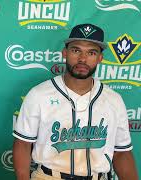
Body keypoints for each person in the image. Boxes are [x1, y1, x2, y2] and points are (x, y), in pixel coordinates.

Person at [12, 23, 138, 180]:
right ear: (65, 53)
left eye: (91, 52)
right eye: (76, 50)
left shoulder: (114, 100)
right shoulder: (39, 94)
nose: (82, 59)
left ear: (100, 58)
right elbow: (23, 144)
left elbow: (122, 152)